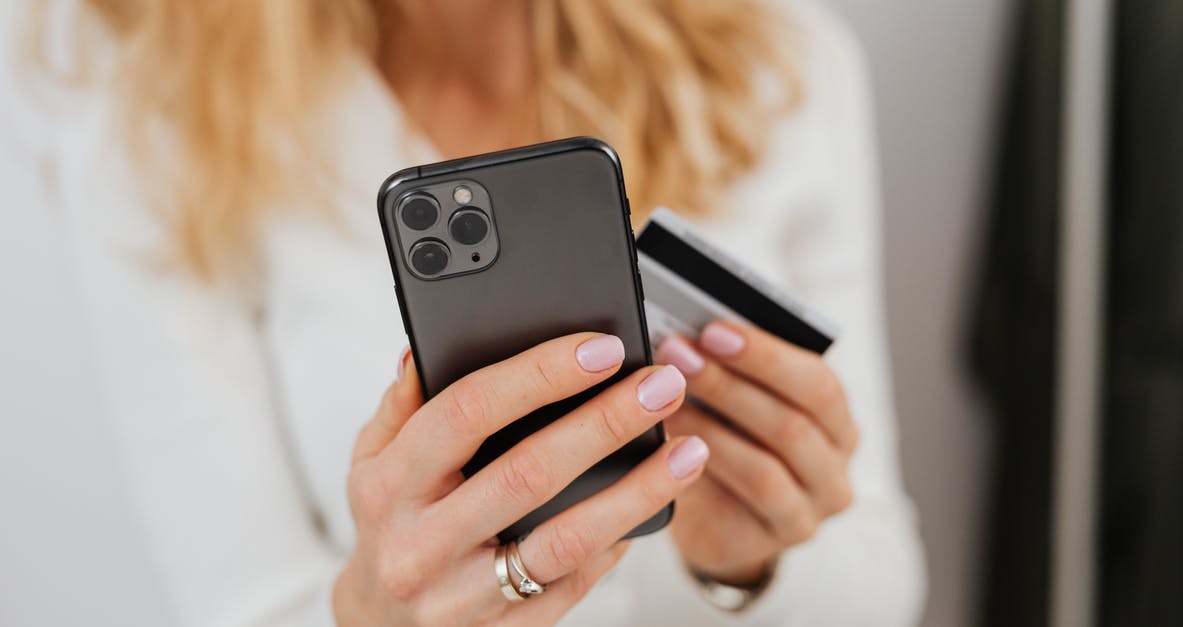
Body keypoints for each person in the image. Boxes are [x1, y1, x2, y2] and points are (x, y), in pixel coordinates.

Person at [5, 0, 925, 624]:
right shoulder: (160, 129)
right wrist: (369, 611)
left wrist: (741, 566)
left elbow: (882, 590)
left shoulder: (782, 66)